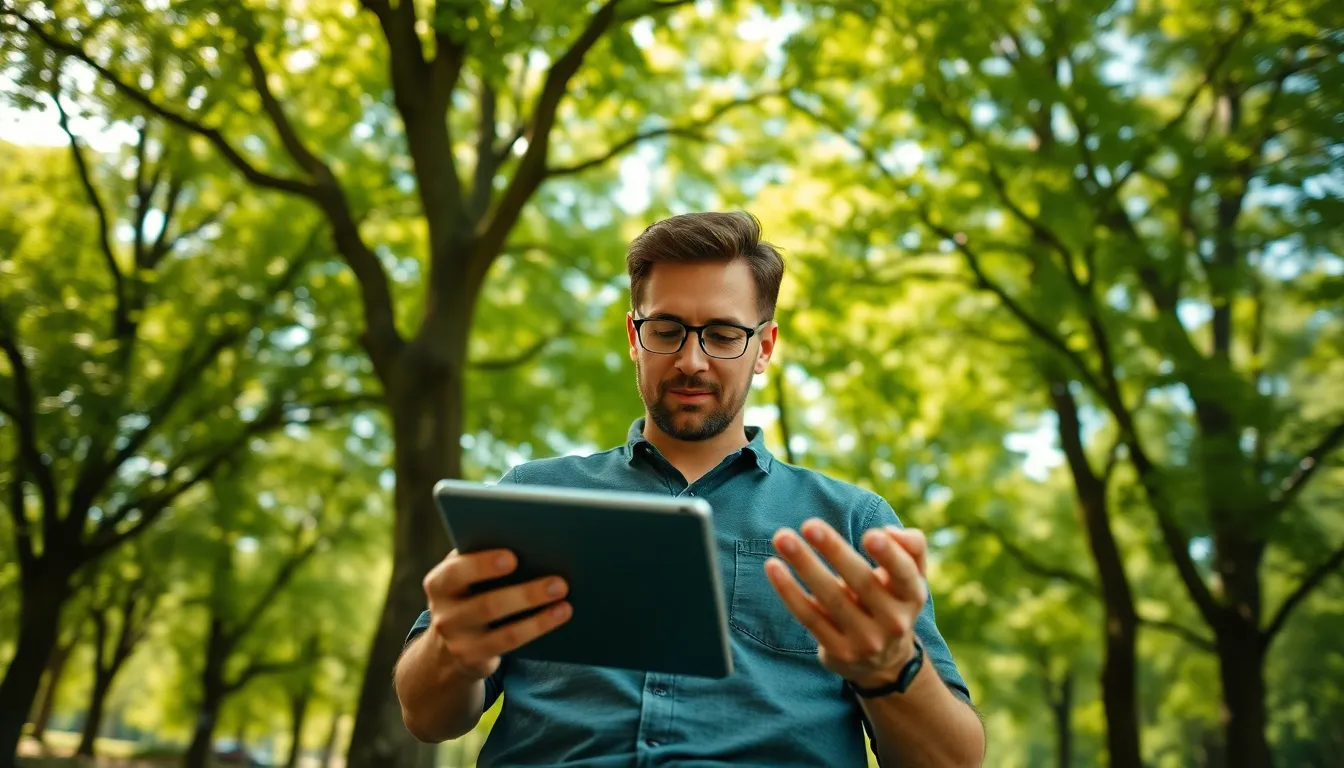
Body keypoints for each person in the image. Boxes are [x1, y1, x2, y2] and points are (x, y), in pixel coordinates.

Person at [394, 212, 985, 766]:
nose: (691, 361)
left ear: (764, 348)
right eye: (667, 329)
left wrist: (891, 667)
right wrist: (449, 650)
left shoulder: (850, 523)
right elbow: (426, 717)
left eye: (724, 334)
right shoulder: (530, 497)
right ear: (633, 334)